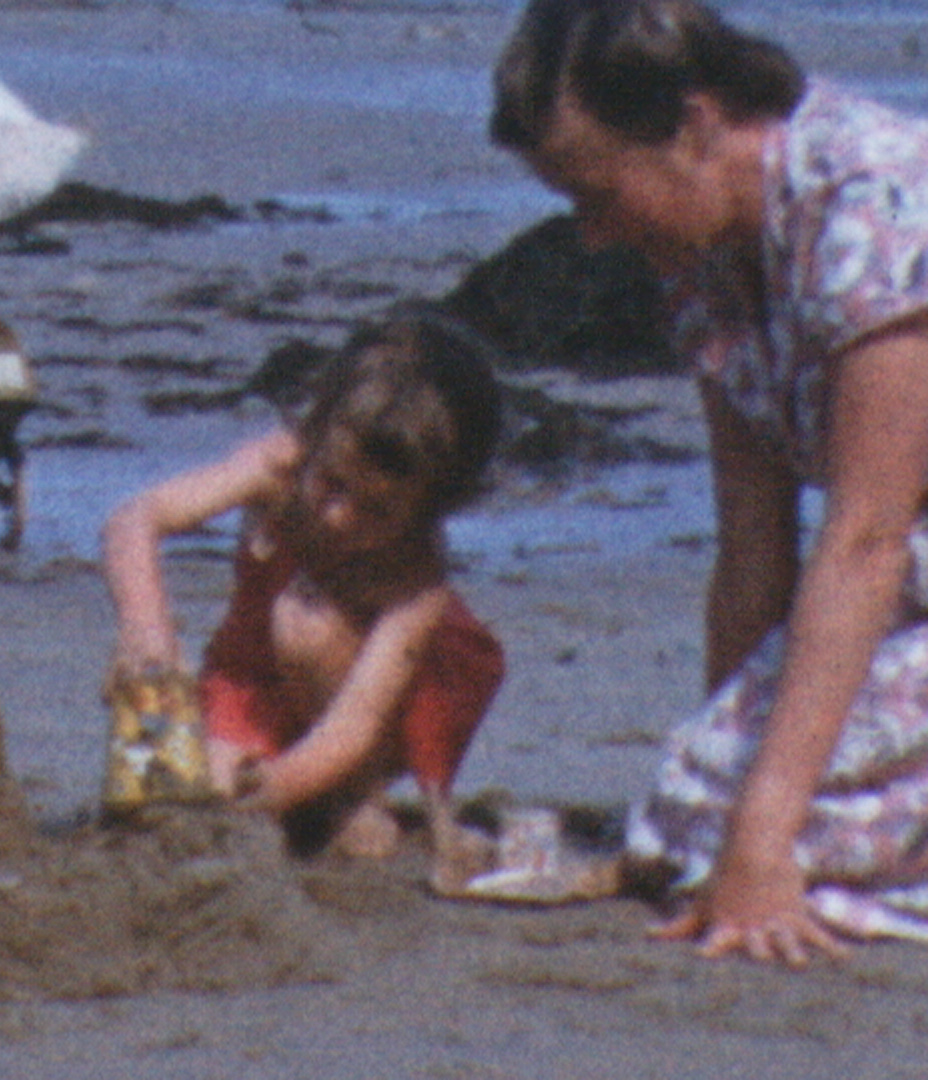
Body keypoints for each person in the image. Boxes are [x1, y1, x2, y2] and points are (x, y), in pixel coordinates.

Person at [492, 0, 928, 966]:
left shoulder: (876, 205)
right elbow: (752, 541)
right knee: (694, 809)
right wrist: (722, 760)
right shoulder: (705, 263)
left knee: (783, 831)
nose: (590, 235)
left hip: (892, 563)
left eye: (596, 194)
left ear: (693, 126)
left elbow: (865, 539)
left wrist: (760, 838)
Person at [102, 309, 506, 882]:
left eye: (378, 510)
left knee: (304, 618)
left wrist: (281, 785)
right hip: (255, 682)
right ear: (316, 432)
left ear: (426, 510)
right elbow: (134, 520)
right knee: (176, 785)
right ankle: (266, 787)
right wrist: (146, 631)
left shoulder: (417, 575)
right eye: (332, 483)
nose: (340, 515)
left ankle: (352, 794)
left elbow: (356, 723)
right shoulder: (277, 469)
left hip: (380, 706)